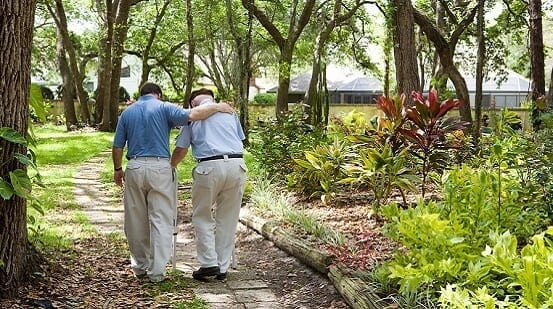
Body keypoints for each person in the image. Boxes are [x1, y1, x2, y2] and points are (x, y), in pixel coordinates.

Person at [112, 82, 234, 283]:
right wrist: (219, 107)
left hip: (134, 167)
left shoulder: (127, 113)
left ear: (141, 94)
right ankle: (157, 272)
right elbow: (193, 115)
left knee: (134, 219)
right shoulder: (164, 107)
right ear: (158, 94)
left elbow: (117, 146)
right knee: (161, 219)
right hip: (160, 167)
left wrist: (118, 169)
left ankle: (140, 267)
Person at [170, 88, 247, 281]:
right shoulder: (230, 112)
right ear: (211, 98)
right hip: (237, 165)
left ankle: (209, 263)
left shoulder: (192, 116)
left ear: (193, 103)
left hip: (209, 166)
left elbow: (181, 149)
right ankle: (222, 266)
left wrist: (170, 166)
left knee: (202, 215)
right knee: (228, 218)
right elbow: (240, 139)